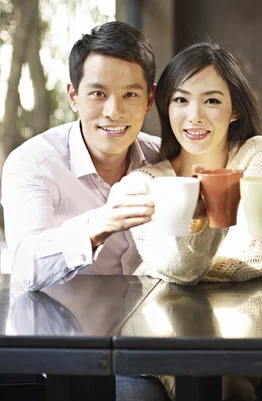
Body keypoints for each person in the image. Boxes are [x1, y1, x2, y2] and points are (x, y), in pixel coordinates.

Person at [1, 21, 160, 292]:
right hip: (56, 328)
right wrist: (98, 225)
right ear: (73, 96)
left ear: (149, 100)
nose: (113, 111)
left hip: (146, 326)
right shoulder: (31, 163)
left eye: (130, 94)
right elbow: (26, 267)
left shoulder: (163, 157)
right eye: (98, 94)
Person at [126, 42, 262, 286]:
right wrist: (176, 264)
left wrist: (159, 268)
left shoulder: (258, 154)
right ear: (166, 108)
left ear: (236, 111)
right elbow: (178, 270)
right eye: (181, 99)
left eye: (212, 101)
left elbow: (253, 258)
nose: (194, 116)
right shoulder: (143, 184)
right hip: (168, 319)